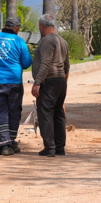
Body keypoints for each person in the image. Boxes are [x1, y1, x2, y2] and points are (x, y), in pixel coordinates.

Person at [0, 17, 32, 155]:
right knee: (14, 111)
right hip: (14, 82)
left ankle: (5, 144)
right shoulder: (19, 41)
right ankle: (12, 142)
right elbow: (26, 63)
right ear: (16, 28)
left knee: (0, 112)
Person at [31, 14, 70, 157]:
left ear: (41, 26)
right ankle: (60, 147)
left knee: (45, 113)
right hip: (60, 81)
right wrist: (64, 81)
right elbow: (67, 66)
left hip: (50, 81)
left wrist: (37, 82)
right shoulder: (62, 41)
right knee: (58, 113)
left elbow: (46, 63)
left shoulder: (47, 41)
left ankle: (49, 148)